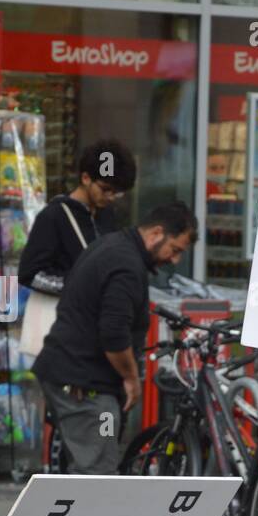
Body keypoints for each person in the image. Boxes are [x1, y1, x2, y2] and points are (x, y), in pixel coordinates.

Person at [31, 201, 196, 475]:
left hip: (69, 375)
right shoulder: (126, 267)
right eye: (175, 249)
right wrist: (132, 379)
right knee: (99, 472)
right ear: (156, 233)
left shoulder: (111, 246)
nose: (174, 259)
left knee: (89, 466)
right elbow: (114, 336)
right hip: (87, 387)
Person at [18, 138, 137, 294]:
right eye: (105, 189)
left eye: (117, 192)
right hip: (61, 314)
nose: (111, 197)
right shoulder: (53, 216)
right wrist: (78, 285)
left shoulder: (107, 214)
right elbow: (29, 274)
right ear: (86, 178)